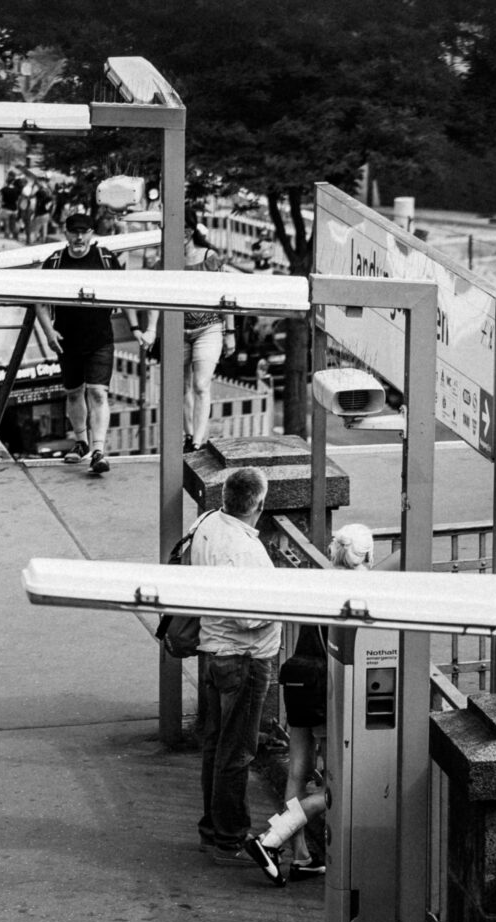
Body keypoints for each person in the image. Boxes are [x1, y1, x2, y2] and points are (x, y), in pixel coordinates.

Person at [252, 522, 376, 881]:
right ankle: (271, 837)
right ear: (366, 555)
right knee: (340, 783)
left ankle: (303, 856)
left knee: (298, 770)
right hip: (330, 693)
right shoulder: (363, 590)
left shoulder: (320, 580)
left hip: (300, 683)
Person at [193, 467, 283, 860]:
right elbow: (248, 616)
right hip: (243, 660)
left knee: (215, 744)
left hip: (214, 650)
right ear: (259, 504)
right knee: (237, 751)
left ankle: (213, 827)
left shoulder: (208, 523)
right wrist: (283, 603)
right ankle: (230, 833)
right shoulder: (244, 551)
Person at [38, 213, 122, 474]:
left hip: (99, 338)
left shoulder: (105, 259)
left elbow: (126, 289)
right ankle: (81, 442)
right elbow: (38, 298)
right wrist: (49, 332)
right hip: (67, 338)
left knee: (98, 392)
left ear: (91, 234)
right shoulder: (55, 262)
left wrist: (140, 327)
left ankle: (99, 449)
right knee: (74, 392)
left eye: (83, 232)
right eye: (74, 232)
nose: (78, 237)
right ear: (65, 234)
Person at [178, 227, 231, 452]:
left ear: (189, 233)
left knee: (201, 384)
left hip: (208, 327)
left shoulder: (210, 258)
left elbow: (226, 294)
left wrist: (230, 331)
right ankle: (189, 434)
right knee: (180, 386)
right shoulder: (167, 259)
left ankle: (198, 440)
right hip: (177, 329)